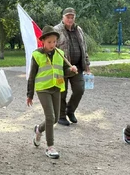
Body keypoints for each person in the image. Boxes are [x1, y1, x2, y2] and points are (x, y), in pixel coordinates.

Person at [27, 25, 77, 159]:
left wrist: (71, 70)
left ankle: (39, 129)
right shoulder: (37, 55)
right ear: (43, 41)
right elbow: (31, 76)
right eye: (49, 42)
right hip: (43, 88)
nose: (52, 44)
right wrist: (29, 94)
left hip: (57, 88)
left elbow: (65, 71)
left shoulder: (60, 54)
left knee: (54, 118)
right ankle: (50, 147)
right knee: (50, 117)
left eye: (54, 41)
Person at [54, 7, 90, 126]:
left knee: (79, 90)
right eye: (67, 17)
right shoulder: (56, 30)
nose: (70, 19)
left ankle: (70, 111)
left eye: (72, 17)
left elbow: (84, 48)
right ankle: (61, 116)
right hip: (61, 68)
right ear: (63, 17)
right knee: (62, 93)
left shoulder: (78, 30)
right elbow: (51, 47)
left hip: (77, 67)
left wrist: (87, 65)